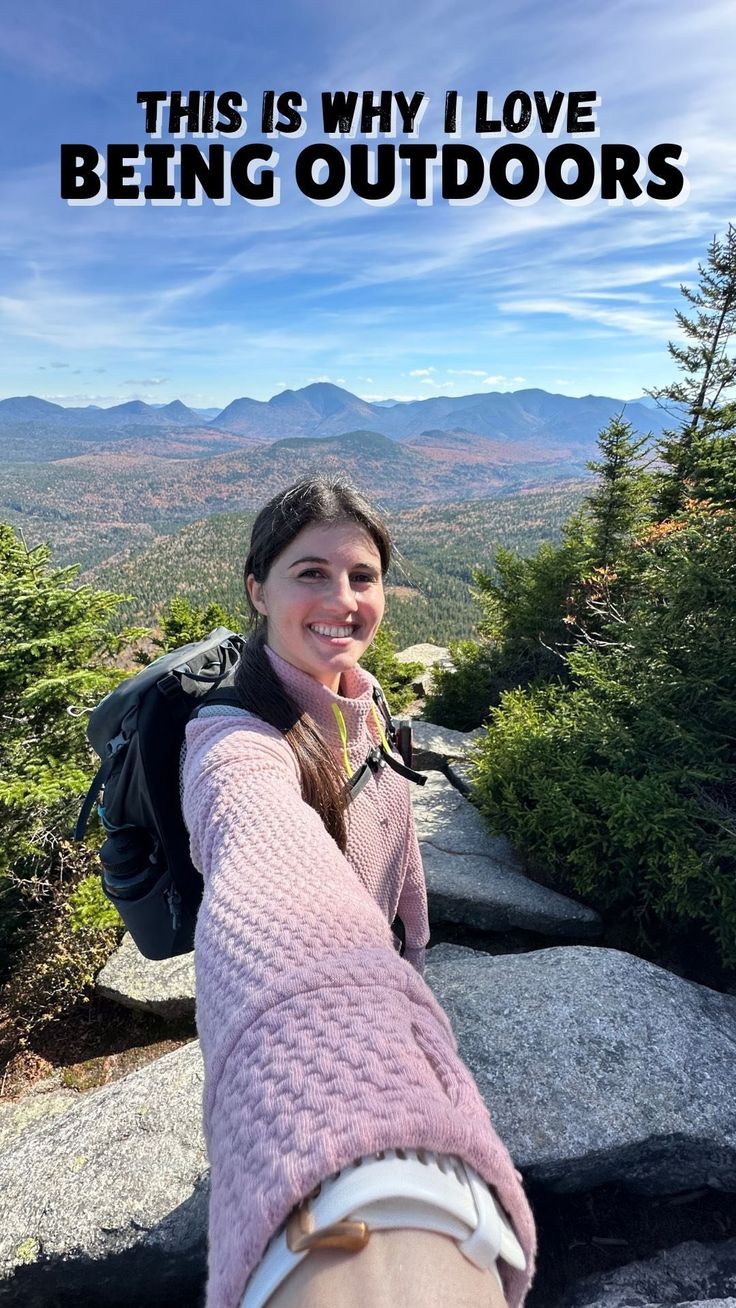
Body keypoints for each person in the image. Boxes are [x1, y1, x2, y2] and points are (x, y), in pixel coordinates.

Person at [181, 476, 537, 1308]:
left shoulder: (360, 700)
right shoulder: (233, 744)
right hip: (330, 991)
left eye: (362, 576)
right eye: (310, 573)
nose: (342, 599)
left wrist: (412, 947)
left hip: (391, 954)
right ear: (255, 588)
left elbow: (396, 837)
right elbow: (268, 862)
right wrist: (388, 1202)